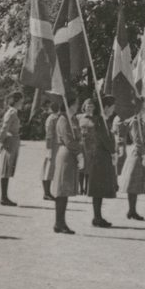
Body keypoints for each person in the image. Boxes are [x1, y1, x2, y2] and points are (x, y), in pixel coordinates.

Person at [79, 97, 118, 227]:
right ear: (105, 107)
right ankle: (97, 217)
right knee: (98, 188)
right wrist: (113, 151)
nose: (113, 110)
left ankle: (98, 216)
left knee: (100, 188)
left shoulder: (103, 120)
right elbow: (105, 140)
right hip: (100, 158)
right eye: (112, 107)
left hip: (102, 157)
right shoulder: (100, 121)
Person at [48, 93, 81, 234]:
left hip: (70, 155)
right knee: (62, 191)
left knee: (65, 191)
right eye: (76, 103)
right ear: (70, 105)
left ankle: (60, 223)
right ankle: (59, 223)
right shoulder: (63, 119)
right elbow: (68, 139)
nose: (77, 106)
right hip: (66, 155)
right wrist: (79, 153)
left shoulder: (71, 118)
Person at [117, 97, 145, 220]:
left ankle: (132, 210)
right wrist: (143, 154)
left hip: (140, 153)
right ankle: (131, 210)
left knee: (135, 184)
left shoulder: (140, 121)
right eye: (144, 106)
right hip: (137, 154)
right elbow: (137, 140)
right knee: (133, 184)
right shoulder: (135, 122)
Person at [0, 90, 23, 206]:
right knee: (5, 169)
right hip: (9, 143)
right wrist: (1, 142)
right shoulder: (11, 113)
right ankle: (3, 197)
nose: (22, 103)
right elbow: (4, 128)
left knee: (7, 169)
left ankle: (4, 197)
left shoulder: (14, 113)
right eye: (21, 101)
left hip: (12, 142)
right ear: (16, 101)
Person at [41, 98, 60, 201]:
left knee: (52, 169)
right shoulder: (52, 119)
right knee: (48, 169)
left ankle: (49, 192)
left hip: (56, 146)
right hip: (52, 146)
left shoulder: (56, 118)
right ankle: (46, 193)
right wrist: (49, 149)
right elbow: (49, 135)